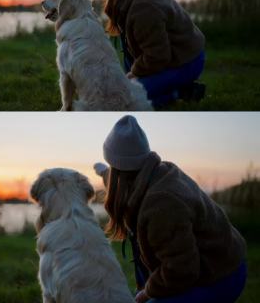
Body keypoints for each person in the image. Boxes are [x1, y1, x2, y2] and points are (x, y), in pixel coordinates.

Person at [101, 115, 247, 303]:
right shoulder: (157, 172)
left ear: (118, 173)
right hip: (220, 262)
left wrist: (146, 293)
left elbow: (182, 271)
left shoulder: (161, 204)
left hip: (220, 276)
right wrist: (101, 170)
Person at [91, 0, 206, 107]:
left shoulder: (144, 9)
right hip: (171, 55)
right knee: (126, 88)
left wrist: (134, 73)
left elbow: (158, 56)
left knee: (128, 98)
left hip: (186, 61)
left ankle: (179, 91)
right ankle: (163, 86)